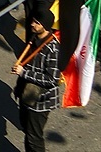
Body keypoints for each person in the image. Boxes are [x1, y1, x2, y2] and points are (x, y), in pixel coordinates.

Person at [12, 10, 60, 152]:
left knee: (34, 137)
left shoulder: (53, 49)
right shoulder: (34, 38)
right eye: (33, 21)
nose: (32, 24)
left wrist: (24, 73)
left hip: (40, 101)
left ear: (45, 25)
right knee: (27, 129)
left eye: (37, 23)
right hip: (26, 94)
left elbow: (52, 79)